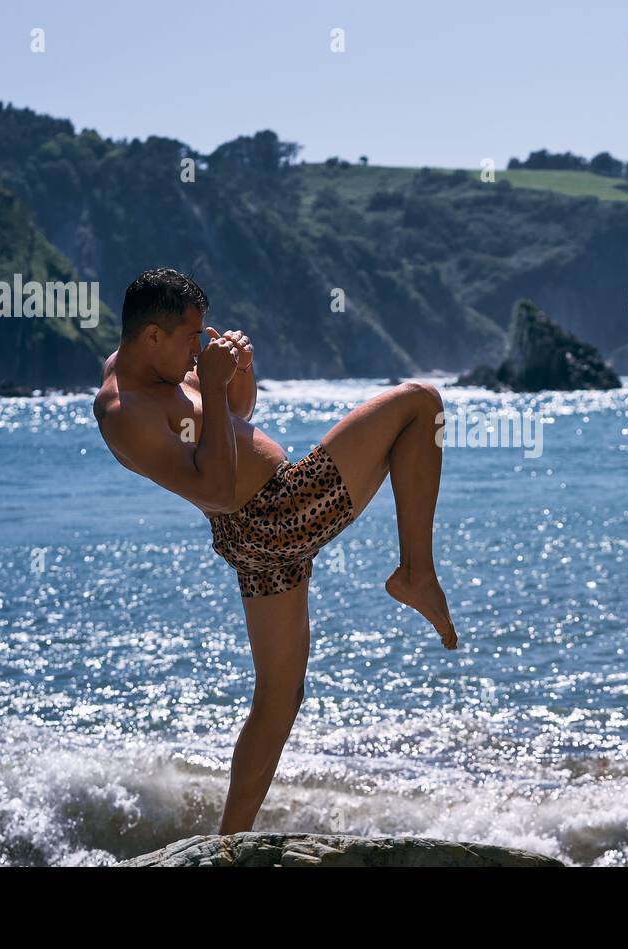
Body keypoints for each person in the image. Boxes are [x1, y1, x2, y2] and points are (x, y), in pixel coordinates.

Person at [93, 267, 458, 834]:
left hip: (256, 537)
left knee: (279, 697)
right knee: (419, 403)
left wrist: (238, 373)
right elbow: (214, 485)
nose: (200, 349)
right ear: (153, 337)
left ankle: (229, 842)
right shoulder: (124, 415)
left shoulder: (157, 366)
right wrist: (211, 386)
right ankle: (415, 572)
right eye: (192, 340)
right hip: (281, 512)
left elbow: (236, 419)